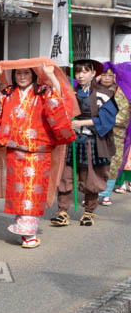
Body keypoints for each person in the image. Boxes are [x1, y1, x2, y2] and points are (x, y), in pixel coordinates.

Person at [0, 58, 76, 248]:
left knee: (33, 191)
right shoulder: (7, 92)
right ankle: (23, 227)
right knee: (18, 190)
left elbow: (59, 102)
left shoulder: (44, 92)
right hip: (15, 149)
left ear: (34, 75)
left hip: (38, 150)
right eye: (18, 73)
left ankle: (29, 232)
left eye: (27, 73)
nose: (22, 77)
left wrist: (52, 75)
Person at [51, 59, 117, 227]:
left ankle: (88, 212)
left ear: (93, 74)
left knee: (91, 178)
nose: (80, 76)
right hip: (70, 141)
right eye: (78, 72)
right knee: (65, 176)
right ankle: (62, 211)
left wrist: (81, 123)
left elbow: (107, 120)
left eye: (85, 72)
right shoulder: (70, 93)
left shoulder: (104, 94)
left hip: (91, 141)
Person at [96, 63, 130, 204]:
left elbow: (124, 115)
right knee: (96, 163)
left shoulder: (121, 92)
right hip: (96, 132)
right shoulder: (93, 89)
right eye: (104, 74)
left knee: (113, 163)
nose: (107, 78)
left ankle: (106, 193)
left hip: (116, 134)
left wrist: (104, 120)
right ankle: (92, 193)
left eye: (110, 75)